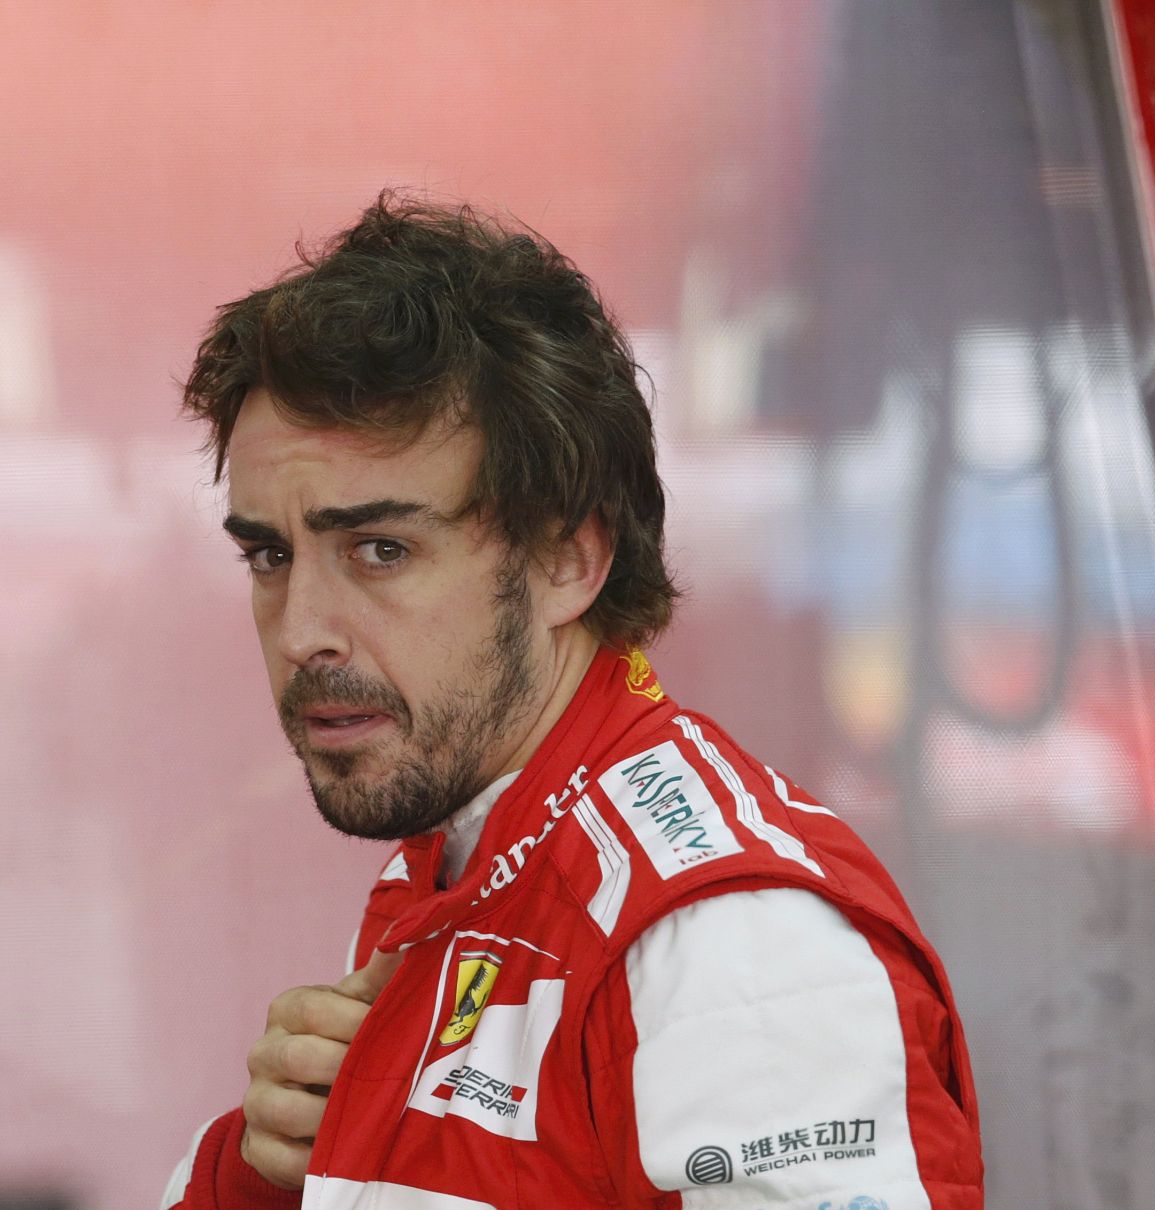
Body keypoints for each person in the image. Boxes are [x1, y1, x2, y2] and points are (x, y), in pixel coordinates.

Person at [159, 193, 983, 1209]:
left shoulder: (732, 944)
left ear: (566, 559)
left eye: (380, 549)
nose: (300, 631)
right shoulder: (462, 849)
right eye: (272, 555)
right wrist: (262, 1175)